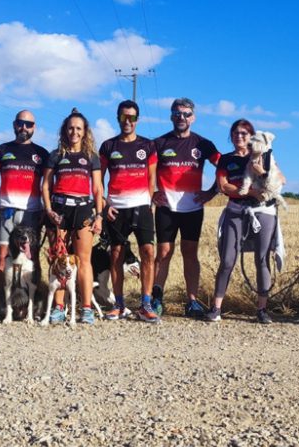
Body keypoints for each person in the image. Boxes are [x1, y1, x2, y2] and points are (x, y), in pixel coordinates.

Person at [206, 119, 284, 325]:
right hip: (236, 209)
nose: (239, 137)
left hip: (262, 211)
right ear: (231, 136)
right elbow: (223, 185)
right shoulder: (225, 159)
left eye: (244, 133)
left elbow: (281, 179)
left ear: (251, 136)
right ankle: (216, 308)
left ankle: (262, 310)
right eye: (235, 133)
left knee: (262, 259)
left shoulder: (264, 156)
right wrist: (251, 191)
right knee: (227, 260)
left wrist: (262, 174)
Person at [151, 97, 221, 318]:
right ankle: (155, 298)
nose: (181, 117)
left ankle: (192, 302)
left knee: (189, 253)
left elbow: (225, 166)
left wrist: (212, 191)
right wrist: (151, 191)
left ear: (194, 117)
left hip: (193, 208)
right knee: (163, 253)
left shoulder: (203, 144)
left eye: (186, 114)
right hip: (166, 208)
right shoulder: (159, 143)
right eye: (177, 113)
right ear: (171, 116)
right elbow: (143, 169)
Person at [40, 108, 105, 325]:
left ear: (85, 131)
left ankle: (86, 308)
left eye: (78, 128)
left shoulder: (91, 157)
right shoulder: (56, 155)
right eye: (70, 128)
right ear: (64, 130)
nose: (74, 132)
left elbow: (97, 188)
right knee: (58, 259)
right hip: (59, 209)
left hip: (83, 209)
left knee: (84, 260)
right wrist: (49, 210)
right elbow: (46, 185)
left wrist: (99, 216)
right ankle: (59, 307)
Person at [99, 99, 160, 323]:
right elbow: (98, 180)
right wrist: (104, 205)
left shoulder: (148, 146)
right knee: (116, 254)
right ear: (118, 118)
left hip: (141, 206)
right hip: (117, 208)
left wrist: (150, 203)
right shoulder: (108, 146)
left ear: (137, 120)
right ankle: (119, 304)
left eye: (132, 117)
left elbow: (152, 177)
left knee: (148, 253)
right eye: (124, 117)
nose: (128, 121)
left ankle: (146, 303)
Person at [0, 110, 49, 316]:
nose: (24, 128)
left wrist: (47, 209)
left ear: (34, 127)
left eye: (28, 124)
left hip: (32, 212)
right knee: (2, 257)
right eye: (21, 123)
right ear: (14, 124)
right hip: (7, 211)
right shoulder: (2, 149)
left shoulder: (42, 153)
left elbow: (48, 183)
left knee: (32, 258)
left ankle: (30, 306)